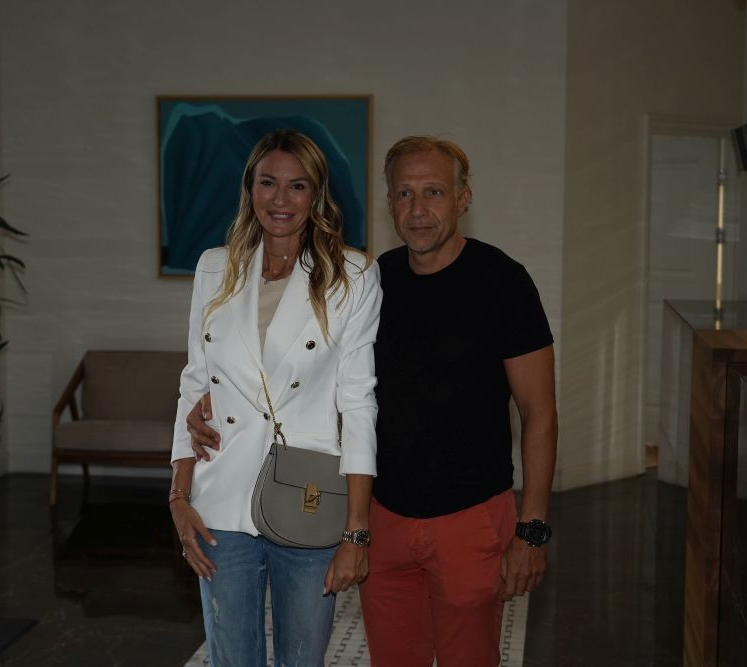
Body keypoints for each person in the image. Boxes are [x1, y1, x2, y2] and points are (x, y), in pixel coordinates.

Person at [189, 135, 557, 667]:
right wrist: (214, 391)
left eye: (433, 192)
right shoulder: (372, 280)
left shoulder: (503, 281)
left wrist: (533, 529)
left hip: (470, 516)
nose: (418, 208)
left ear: (463, 197)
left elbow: (539, 412)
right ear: (389, 202)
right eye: (404, 193)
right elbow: (329, 379)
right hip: (383, 519)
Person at [169, 129, 382, 667]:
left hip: (309, 496)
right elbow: (194, 381)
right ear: (250, 189)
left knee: (302, 660)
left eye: (297, 185)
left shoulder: (352, 275)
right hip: (221, 499)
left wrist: (357, 530)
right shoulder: (214, 268)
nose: (280, 199)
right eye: (268, 183)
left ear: (316, 195)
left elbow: (359, 403)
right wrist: (178, 497)